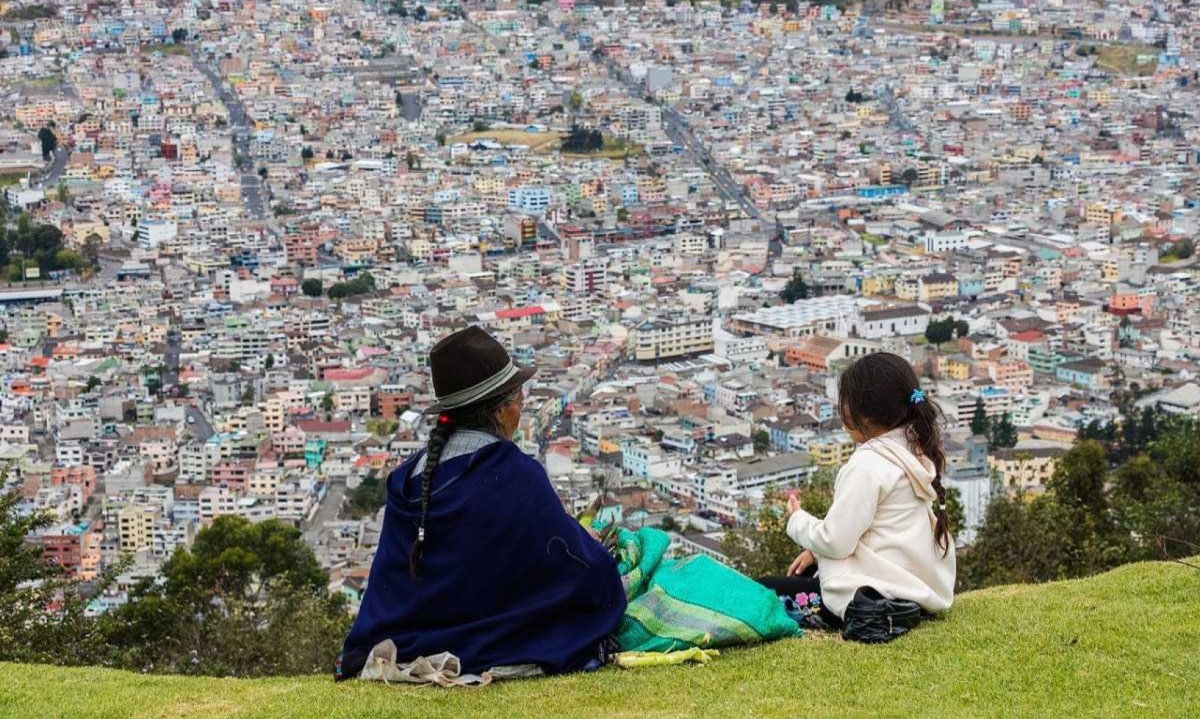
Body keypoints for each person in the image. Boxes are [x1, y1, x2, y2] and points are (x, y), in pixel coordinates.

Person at [336, 326, 626, 681]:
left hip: (408, 642)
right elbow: (580, 575)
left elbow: (398, 582)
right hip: (492, 641)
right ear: (501, 412)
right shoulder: (517, 475)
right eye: (519, 400)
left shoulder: (408, 479)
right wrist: (591, 549)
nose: (521, 411)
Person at [759, 352, 956, 624]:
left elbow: (836, 542)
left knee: (761, 590)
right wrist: (816, 554)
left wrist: (796, 520)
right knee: (802, 576)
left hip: (872, 597)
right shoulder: (913, 449)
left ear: (862, 412)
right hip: (910, 589)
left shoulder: (868, 464)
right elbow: (879, 530)